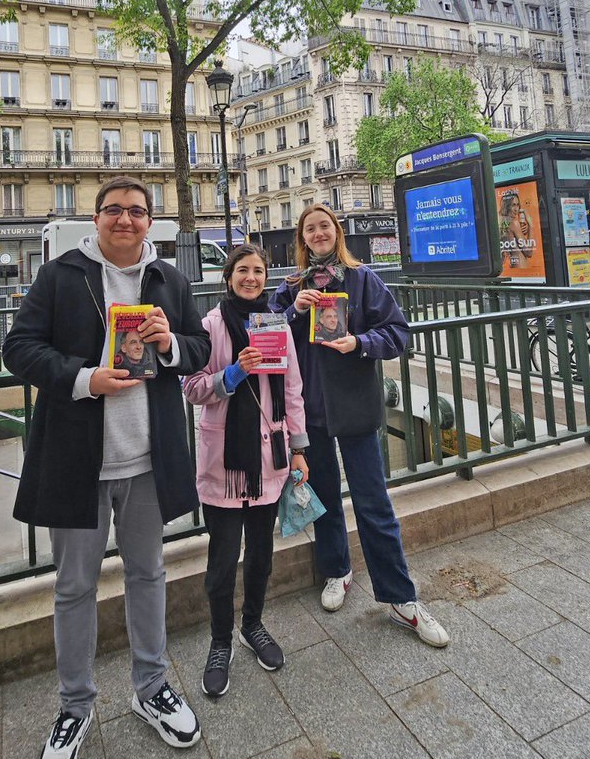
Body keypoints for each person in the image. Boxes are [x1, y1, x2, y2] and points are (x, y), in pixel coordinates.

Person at [2, 176, 211, 759]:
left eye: (137, 212)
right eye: (115, 210)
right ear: (96, 218)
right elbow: (19, 348)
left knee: (148, 574)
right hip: (78, 462)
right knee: (74, 588)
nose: (126, 220)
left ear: (151, 222)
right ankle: (75, 707)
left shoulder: (168, 280)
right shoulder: (62, 274)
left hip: (148, 462)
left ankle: (151, 687)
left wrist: (172, 343)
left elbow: (199, 350)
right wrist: (84, 378)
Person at [269, 204, 449, 648]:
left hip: (355, 408)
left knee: (373, 502)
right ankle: (337, 571)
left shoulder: (364, 280)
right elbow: (266, 337)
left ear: (337, 232)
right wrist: (293, 310)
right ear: (302, 238)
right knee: (325, 498)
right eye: (310, 229)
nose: (317, 234)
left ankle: (402, 597)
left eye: (324, 226)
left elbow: (398, 332)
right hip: (309, 411)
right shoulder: (291, 287)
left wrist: (359, 343)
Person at [183, 244, 309, 698]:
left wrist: (298, 448)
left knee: (261, 555)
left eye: (258, 271)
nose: (251, 277)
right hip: (225, 463)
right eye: (243, 270)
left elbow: (292, 389)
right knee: (221, 564)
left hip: (270, 458)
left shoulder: (276, 325)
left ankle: (252, 625)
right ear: (228, 276)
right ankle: (220, 641)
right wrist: (233, 374)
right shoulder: (210, 326)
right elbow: (192, 387)